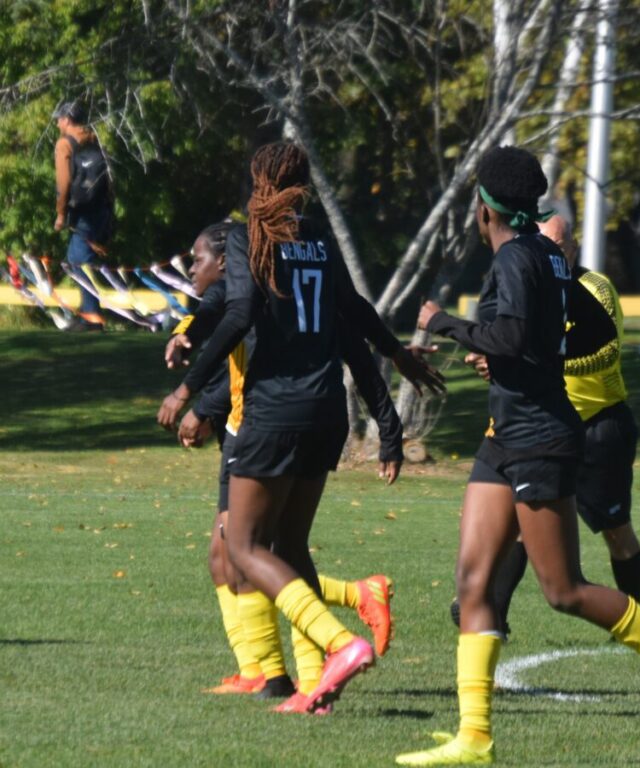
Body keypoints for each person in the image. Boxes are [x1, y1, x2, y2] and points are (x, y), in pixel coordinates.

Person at [396, 146, 640, 766]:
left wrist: (444, 323)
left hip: (539, 439)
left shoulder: (515, 258)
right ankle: (474, 737)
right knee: (474, 582)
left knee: (565, 590)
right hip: (505, 437)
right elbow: (586, 331)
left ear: (484, 208)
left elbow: (508, 336)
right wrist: (531, 355)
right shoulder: (548, 256)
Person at [157, 141, 444, 715]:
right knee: (289, 546)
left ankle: (341, 644)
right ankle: (315, 685)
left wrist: (187, 388)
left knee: (241, 547)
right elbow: (353, 311)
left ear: (259, 180)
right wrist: (395, 357)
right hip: (325, 414)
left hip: (273, 413)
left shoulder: (250, 237)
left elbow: (237, 312)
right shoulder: (316, 237)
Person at [171, 222, 401, 707]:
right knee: (240, 553)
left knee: (246, 550)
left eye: (198, 259)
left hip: (261, 427)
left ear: (228, 260)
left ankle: (326, 644)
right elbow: (211, 313)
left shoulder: (263, 288)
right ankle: (271, 675)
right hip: (260, 425)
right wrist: (184, 331)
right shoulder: (278, 279)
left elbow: (244, 337)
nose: (192, 268)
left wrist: (196, 401)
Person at [453, 214, 640, 634]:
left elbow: (605, 352)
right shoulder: (530, 285)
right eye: (545, 244)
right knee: (522, 529)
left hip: (598, 426)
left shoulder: (594, 287)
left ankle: (633, 623)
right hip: (542, 428)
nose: (551, 253)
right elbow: (513, 342)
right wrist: (494, 360)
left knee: (616, 533)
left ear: (573, 246)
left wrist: (536, 361)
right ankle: (493, 617)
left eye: (559, 245)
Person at [53, 100, 113, 331]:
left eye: (59, 119)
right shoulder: (93, 138)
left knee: (79, 259)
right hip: (101, 208)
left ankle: (92, 317)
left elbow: (64, 182)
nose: (58, 124)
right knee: (76, 258)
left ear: (67, 120)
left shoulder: (64, 144)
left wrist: (61, 213)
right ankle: (88, 313)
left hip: (82, 212)